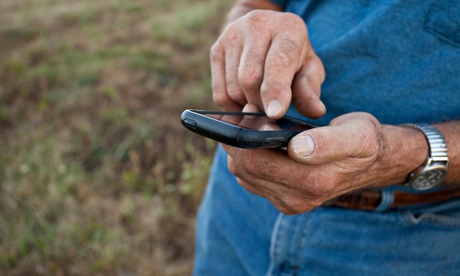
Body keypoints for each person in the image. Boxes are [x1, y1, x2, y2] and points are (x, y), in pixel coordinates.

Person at [194, 0, 460, 275]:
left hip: (412, 238)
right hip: (240, 192)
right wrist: (250, 31)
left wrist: (399, 154)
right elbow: (254, 4)